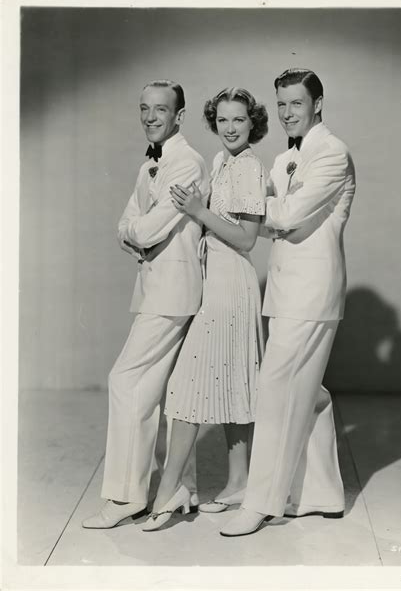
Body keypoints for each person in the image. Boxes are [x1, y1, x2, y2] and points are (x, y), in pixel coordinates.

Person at [221, 68, 356, 537]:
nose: (285, 113)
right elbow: (276, 217)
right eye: (280, 104)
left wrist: (257, 207)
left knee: (276, 391)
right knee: (308, 393)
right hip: (284, 292)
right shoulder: (283, 160)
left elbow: (291, 216)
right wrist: (268, 211)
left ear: (317, 104)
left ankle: (261, 502)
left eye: (295, 104)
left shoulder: (333, 153)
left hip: (313, 294)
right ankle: (320, 495)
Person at [82, 80, 209, 529]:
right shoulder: (150, 165)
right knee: (157, 390)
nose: (151, 117)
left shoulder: (187, 162)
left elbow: (147, 229)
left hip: (173, 290)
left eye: (161, 109)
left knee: (126, 380)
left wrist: (134, 230)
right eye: (144, 109)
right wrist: (132, 229)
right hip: (158, 288)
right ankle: (182, 488)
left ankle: (126, 497)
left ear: (179, 115)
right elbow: (124, 222)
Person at [141, 87, 268, 532]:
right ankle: (239, 482)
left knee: (189, 387)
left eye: (239, 120)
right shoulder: (220, 162)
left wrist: (197, 209)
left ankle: (168, 492)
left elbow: (248, 239)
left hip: (232, 283)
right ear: (215, 122)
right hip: (214, 278)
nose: (231, 128)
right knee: (231, 381)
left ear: (253, 123)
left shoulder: (250, 167)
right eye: (224, 120)